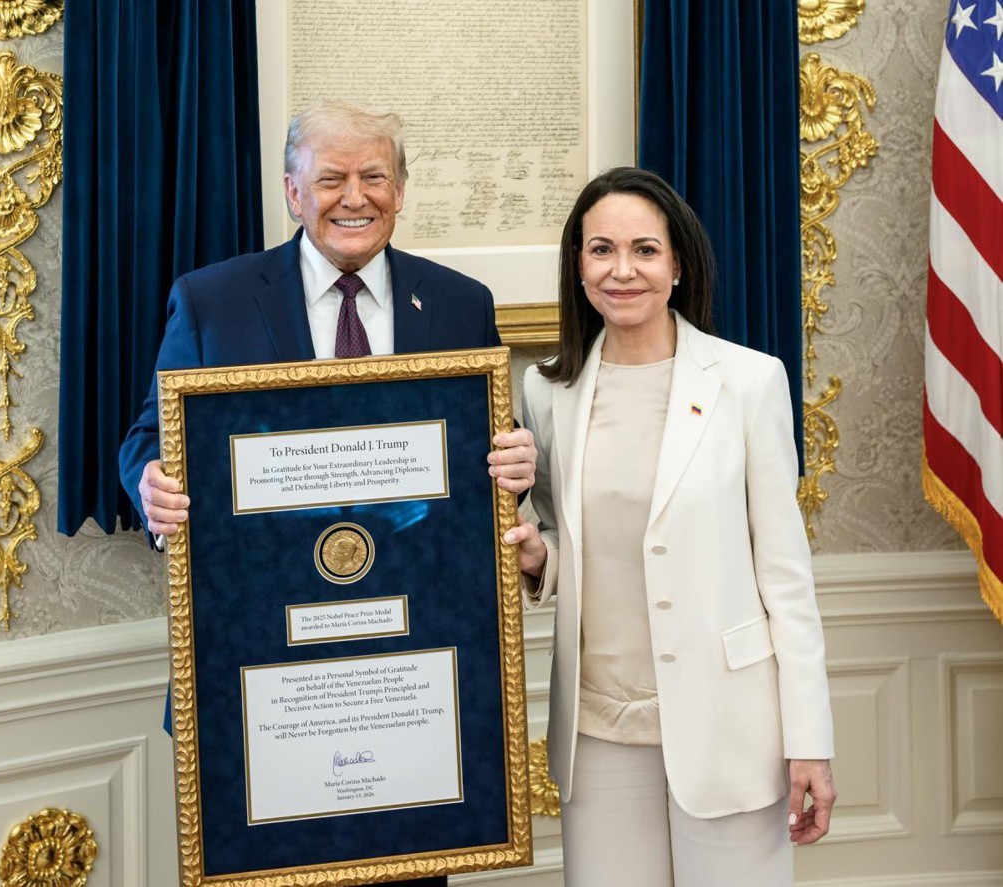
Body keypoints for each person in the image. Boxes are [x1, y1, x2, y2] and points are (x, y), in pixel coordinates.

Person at [119, 101, 536, 887]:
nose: (356, 196)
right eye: (333, 177)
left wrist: (512, 461)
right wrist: (149, 483)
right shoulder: (213, 299)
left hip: (409, 664)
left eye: (375, 175)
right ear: (292, 191)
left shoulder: (459, 304)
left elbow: (484, 451)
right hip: (261, 662)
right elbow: (150, 435)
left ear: (401, 189)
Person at [503, 167, 835, 886]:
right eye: (601, 250)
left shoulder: (749, 382)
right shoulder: (545, 390)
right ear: (578, 266)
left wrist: (810, 740)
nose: (622, 270)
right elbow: (568, 536)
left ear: (677, 265)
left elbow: (786, 575)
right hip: (597, 730)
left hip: (729, 725)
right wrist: (537, 556)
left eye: (645, 250)